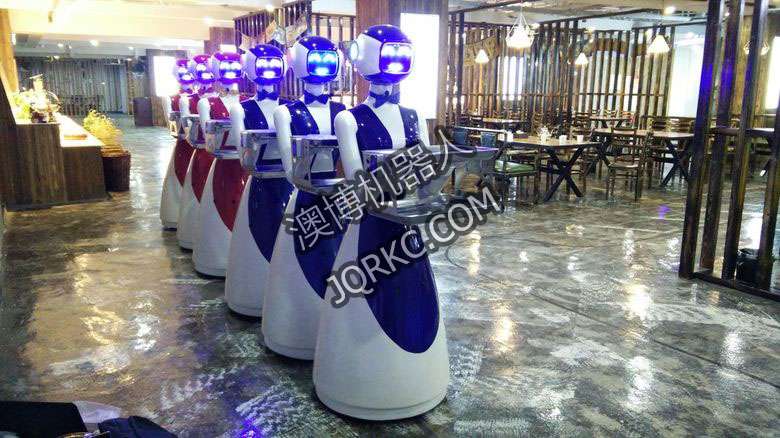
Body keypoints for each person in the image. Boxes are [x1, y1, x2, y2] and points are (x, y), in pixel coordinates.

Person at [314, 25, 448, 420]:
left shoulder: (413, 116)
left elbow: (426, 169)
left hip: (407, 226)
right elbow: (358, 182)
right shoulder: (348, 119)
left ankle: (416, 383)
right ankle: (363, 386)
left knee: (415, 303)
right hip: (370, 225)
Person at [262, 35, 347, 360]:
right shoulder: (285, 112)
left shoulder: (342, 111)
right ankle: (297, 334)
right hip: (306, 200)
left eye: (328, 59)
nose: (322, 66)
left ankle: (334, 338)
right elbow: (289, 168)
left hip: (339, 201)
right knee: (304, 269)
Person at [224, 44, 293, 316]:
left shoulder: (291, 108)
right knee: (258, 237)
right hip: (260, 186)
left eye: (275, 64)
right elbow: (242, 153)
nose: (269, 70)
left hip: (290, 185)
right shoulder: (241, 109)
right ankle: (252, 296)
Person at [160, 58, 196, 230]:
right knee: (180, 178)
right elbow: (173, 127)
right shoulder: (171, 99)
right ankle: (176, 216)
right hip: (184, 146)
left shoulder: (203, 99)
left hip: (202, 150)